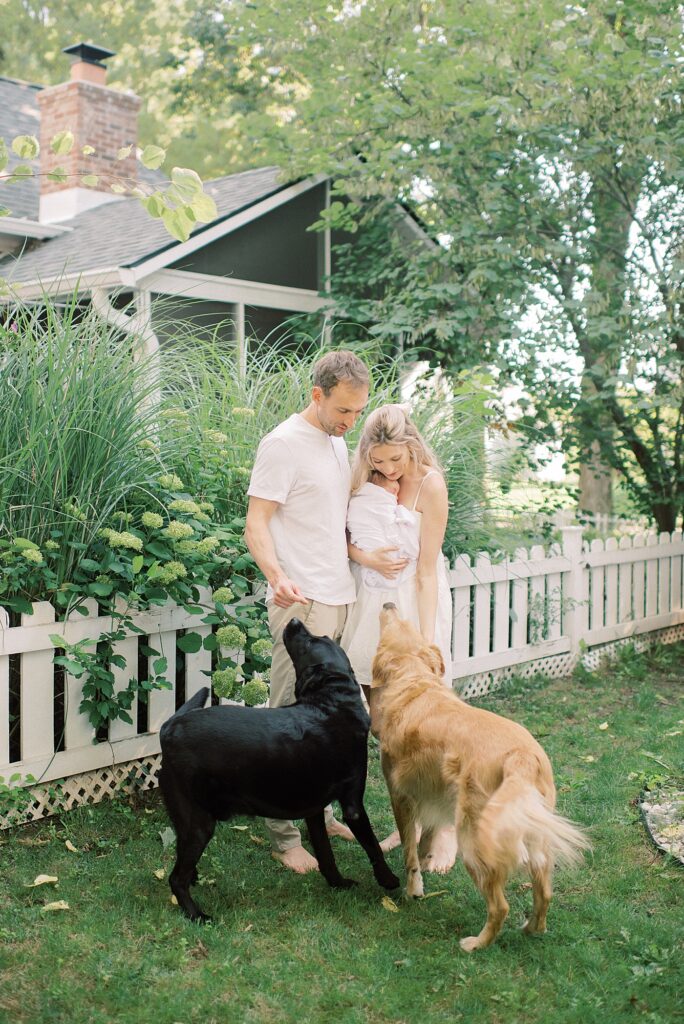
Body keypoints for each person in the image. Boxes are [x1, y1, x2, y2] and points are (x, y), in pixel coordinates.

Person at [245, 349, 379, 875]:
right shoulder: (282, 445)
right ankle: (283, 837)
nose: (351, 422)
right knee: (287, 721)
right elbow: (257, 523)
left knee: (327, 725)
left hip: (340, 597)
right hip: (302, 604)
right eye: (343, 410)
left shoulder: (335, 442)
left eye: (357, 411)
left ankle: (318, 814)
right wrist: (277, 577)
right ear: (317, 394)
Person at [340, 403, 456, 868]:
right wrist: (366, 559)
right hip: (370, 603)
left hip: (414, 603)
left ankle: (444, 829)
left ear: (412, 447)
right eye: (378, 460)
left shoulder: (431, 485)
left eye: (395, 460)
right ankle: (405, 821)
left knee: (427, 723)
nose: (388, 468)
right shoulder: (363, 480)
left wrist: (427, 643)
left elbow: (427, 571)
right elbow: (341, 538)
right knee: (385, 725)